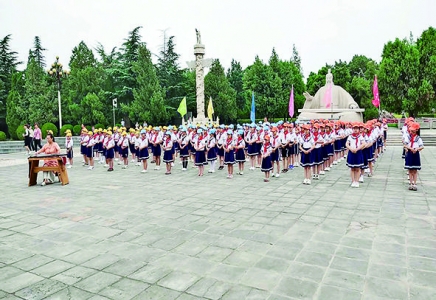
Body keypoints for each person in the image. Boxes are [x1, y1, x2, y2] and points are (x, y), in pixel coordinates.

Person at [404, 122, 424, 191]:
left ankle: (415, 183)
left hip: (415, 154)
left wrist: (417, 149)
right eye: (411, 130)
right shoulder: (408, 137)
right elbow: (405, 144)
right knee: (410, 169)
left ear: (416, 130)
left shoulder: (418, 138)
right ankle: (411, 183)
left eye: (413, 130)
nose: (411, 132)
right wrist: (410, 148)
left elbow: (422, 146)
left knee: (415, 170)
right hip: (410, 153)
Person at [346, 123, 366, 188]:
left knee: (357, 168)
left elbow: (363, 144)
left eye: (357, 129)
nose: (355, 130)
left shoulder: (360, 136)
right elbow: (347, 144)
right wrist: (351, 149)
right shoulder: (350, 136)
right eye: (354, 129)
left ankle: (357, 181)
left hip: (358, 152)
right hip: (351, 152)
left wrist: (357, 149)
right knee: (352, 168)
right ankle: (353, 181)